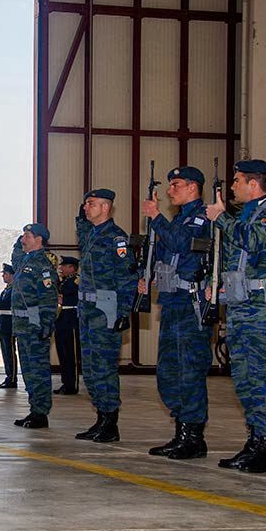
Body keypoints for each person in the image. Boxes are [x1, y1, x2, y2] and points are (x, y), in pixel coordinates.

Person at [206, 159, 266, 473]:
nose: (232, 187)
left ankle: (264, 445)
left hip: (261, 307)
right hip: (241, 305)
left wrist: (221, 218)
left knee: (260, 378)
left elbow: (254, 239)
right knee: (244, 378)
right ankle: (255, 440)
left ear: (253, 184)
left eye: (237, 181)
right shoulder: (246, 215)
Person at [141, 166, 212, 460]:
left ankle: (193, 437)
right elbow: (169, 251)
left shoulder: (201, 217)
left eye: (176, 184)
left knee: (189, 370)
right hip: (172, 302)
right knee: (170, 370)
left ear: (193, 187)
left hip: (189, 303)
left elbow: (181, 243)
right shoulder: (180, 218)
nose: (171, 190)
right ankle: (182, 431)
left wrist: (156, 217)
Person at [74, 189, 137, 443]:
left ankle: (110, 422)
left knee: (104, 366)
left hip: (106, 310)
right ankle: (101, 417)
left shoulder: (116, 238)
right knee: (89, 367)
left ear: (105, 207)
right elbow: (80, 231)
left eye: (91, 204)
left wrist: (124, 312)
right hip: (88, 310)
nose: (86, 207)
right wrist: (81, 218)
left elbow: (127, 277)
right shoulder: (91, 235)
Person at [10, 224, 58, 428]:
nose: (23, 239)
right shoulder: (25, 261)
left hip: (35, 325)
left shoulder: (43, 266)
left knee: (38, 371)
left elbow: (49, 298)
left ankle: (41, 412)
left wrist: (46, 325)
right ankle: (34, 410)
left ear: (39, 239)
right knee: (29, 371)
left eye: (27, 236)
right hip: (22, 326)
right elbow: (15, 256)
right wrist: (18, 242)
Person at [53, 256, 81, 395]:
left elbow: (75, 296)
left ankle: (72, 385)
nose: (61, 268)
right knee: (63, 353)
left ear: (72, 268)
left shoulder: (76, 280)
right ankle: (66, 382)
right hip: (62, 319)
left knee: (71, 354)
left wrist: (62, 299)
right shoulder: (64, 281)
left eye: (64, 266)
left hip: (71, 319)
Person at [0, 263, 18, 389]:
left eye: (5, 273)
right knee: (5, 352)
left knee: (9, 352)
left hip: (9, 323)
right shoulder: (7, 289)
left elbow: (3, 304)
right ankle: (9, 376)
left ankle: (12, 378)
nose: (3, 275)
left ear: (12, 275)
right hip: (4, 323)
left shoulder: (13, 289)